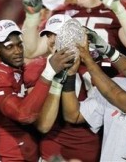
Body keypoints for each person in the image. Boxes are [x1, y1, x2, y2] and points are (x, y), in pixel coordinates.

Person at [0, 19, 74, 161]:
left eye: (19, 45)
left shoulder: (17, 68)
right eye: (9, 47)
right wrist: (49, 71)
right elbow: (24, 114)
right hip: (6, 157)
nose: (17, 51)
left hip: (27, 154)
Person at [62, 48, 126, 162]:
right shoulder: (117, 83)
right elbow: (73, 116)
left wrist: (88, 59)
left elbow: (116, 95)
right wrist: (70, 75)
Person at [25, 14, 102, 161]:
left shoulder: (92, 69)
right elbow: (43, 125)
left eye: (59, 34)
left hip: (87, 151)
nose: (53, 40)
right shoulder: (36, 68)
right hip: (53, 152)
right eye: (49, 35)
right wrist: (56, 79)